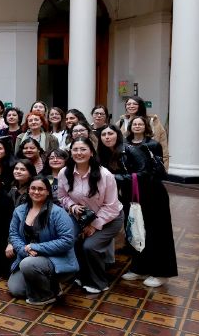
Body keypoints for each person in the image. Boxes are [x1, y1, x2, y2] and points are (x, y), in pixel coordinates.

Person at [105, 124, 177, 288]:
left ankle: (161, 273)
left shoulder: (131, 149)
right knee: (136, 231)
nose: (107, 137)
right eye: (104, 134)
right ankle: (140, 268)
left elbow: (144, 173)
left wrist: (115, 178)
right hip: (132, 196)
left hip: (152, 195)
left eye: (110, 134)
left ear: (118, 135)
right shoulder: (110, 152)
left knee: (157, 234)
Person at [57, 137, 125, 295]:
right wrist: (72, 206)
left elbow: (111, 206)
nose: (79, 153)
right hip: (81, 217)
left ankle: (99, 282)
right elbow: (62, 196)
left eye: (83, 149)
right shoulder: (64, 172)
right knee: (71, 239)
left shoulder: (105, 175)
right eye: (75, 149)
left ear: (92, 152)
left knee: (90, 246)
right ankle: (81, 275)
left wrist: (93, 226)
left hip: (109, 219)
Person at [7, 176, 78, 305]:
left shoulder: (58, 212)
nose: (36, 192)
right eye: (33, 188)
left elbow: (67, 240)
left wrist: (35, 247)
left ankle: (47, 295)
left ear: (48, 192)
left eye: (41, 189)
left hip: (54, 258)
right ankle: (47, 284)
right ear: (28, 190)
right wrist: (24, 250)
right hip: (28, 256)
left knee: (27, 264)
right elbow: (13, 234)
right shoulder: (19, 210)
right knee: (17, 290)